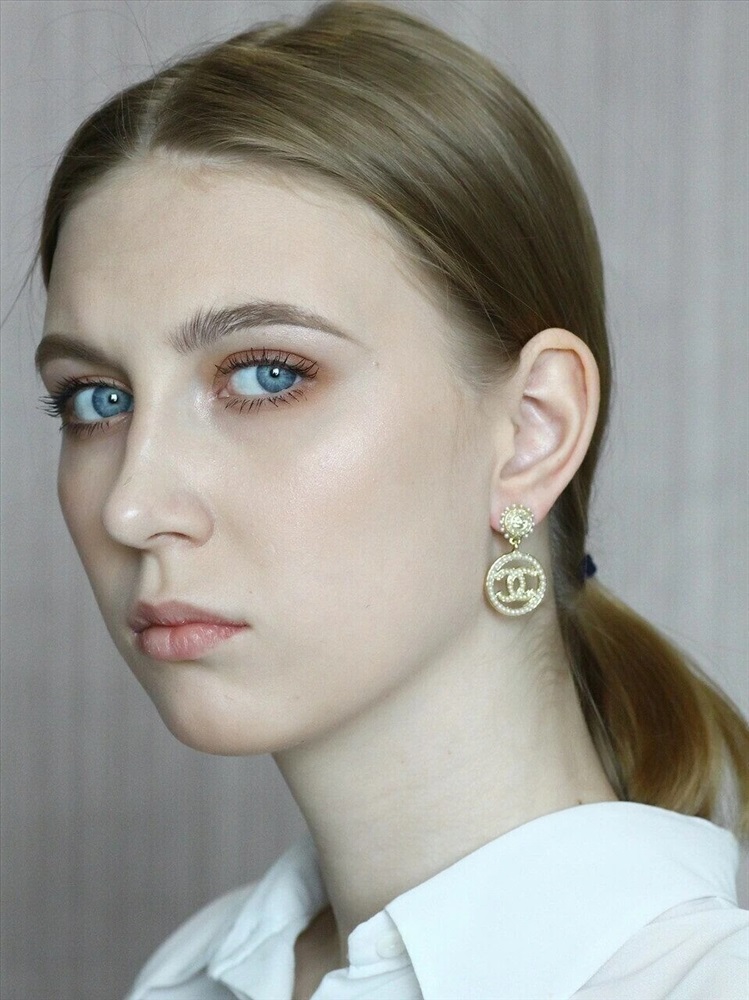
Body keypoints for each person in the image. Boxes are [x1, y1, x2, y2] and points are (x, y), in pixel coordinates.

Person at [34, 2, 748, 997]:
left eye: (267, 375)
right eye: (96, 399)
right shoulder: (193, 975)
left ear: (532, 429)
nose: (131, 505)